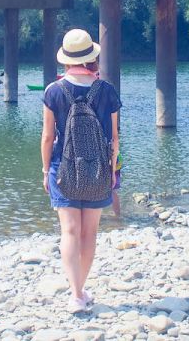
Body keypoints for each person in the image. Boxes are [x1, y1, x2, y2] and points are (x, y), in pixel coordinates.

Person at [41, 29, 121, 314]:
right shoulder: (107, 90)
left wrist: (44, 169)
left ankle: (75, 293)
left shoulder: (54, 90)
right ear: (91, 58)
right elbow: (115, 138)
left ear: (66, 59)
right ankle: (82, 289)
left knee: (70, 231)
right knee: (89, 232)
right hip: (100, 168)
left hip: (62, 168)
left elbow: (48, 137)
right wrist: (115, 171)